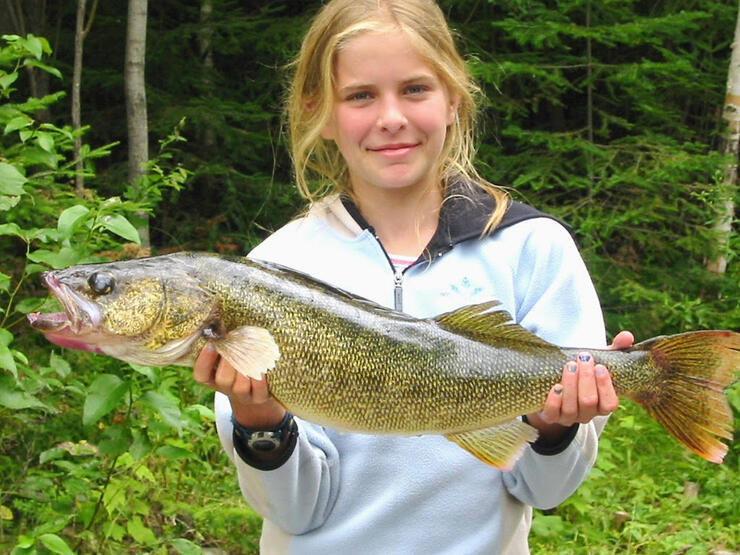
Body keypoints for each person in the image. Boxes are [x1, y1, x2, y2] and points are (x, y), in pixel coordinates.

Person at [193, 1, 633, 552]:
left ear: (454, 98)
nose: (391, 117)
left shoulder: (533, 248)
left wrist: (555, 427)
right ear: (319, 113)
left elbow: (545, 492)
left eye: (415, 89)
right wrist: (260, 421)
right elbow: (294, 513)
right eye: (360, 96)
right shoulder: (268, 276)